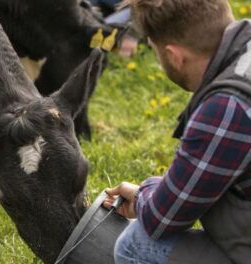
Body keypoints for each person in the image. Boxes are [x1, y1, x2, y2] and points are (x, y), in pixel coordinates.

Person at [103, 0, 251, 263]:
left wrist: (142, 196)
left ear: (173, 55)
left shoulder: (226, 108)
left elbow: (161, 220)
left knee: (136, 244)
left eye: (154, 49)